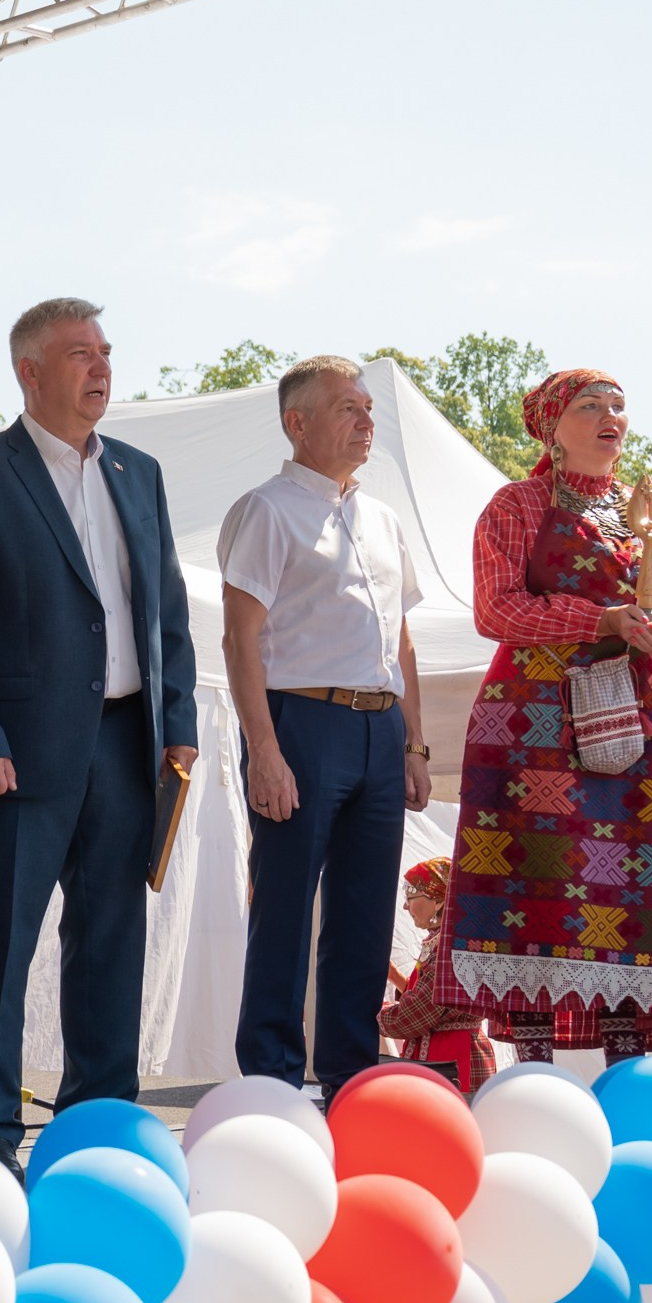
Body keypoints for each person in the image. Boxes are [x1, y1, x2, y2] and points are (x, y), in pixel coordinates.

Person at [0, 298, 196, 1176]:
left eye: (106, 351)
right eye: (80, 353)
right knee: (4, 940)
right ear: (30, 372)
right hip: (16, 750)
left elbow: (168, 613)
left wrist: (177, 725)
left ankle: (102, 1121)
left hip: (127, 741)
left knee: (113, 934)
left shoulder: (140, 472)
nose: (100, 367)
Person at [433, 370, 652, 1062]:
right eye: (590, 405)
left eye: (619, 405)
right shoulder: (517, 505)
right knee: (535, 879)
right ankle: (530, 1064)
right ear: (550, 425)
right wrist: (600, 618)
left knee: (642, 887)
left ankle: (629, 1058)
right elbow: (495, 608)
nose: (611, 416)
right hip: (537, 729)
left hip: (648, 725)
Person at [219, 356, 432, 1096]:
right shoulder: (267, 509)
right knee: (283, 906)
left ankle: (349, 1074)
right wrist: (264, 752)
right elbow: (239, 639)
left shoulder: (382, 517)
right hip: (300, 719)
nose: (366, 420)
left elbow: (401, 639)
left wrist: (414, 742)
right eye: (348, 407)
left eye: (369, 408)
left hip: (378, 727)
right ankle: (273, 1079)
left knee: (366, 912)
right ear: (297, 422)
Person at [378, 858, 495, 1090]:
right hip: (446, 1053)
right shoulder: (448, 941)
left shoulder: (452, 947)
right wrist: (393, 976)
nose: (405, 906)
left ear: (438, 900)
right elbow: (436, 999)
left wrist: (363, 1011)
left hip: (453, 1058)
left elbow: (413, 1017)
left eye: (411, 896)